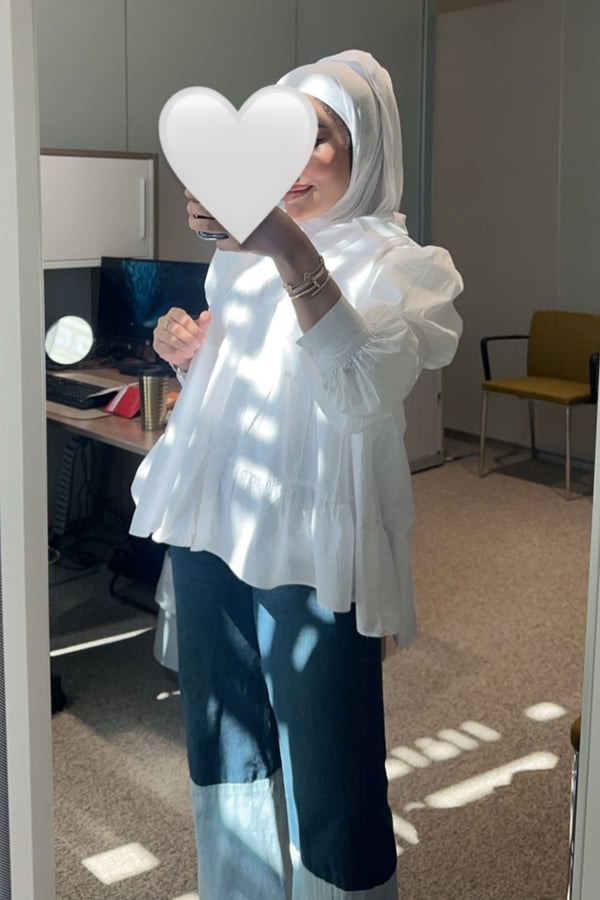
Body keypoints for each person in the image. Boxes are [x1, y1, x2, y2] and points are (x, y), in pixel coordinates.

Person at [130, 49, 463, 900]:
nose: (293, 163)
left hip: (314, 534)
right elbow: (253, 375)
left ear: (365, 148)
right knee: (224, 738)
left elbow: (360, 386)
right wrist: (189, 354)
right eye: (278, 140)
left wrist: (282, 243)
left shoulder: (402, 264)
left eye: (316, 137)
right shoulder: (235, 257)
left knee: (330, 758)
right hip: (214, 512)